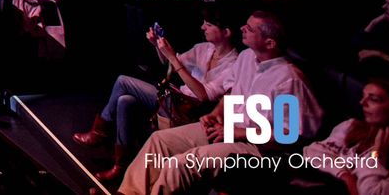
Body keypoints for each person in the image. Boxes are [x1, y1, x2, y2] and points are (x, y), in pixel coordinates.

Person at [118, 11, 322, 195]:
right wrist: (216, 114)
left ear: (269, 43)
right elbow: (232, 93)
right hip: (228, 128)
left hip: (258, 148)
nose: (243, 28)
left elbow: (287, 136)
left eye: (250, 29)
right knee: (159, 141)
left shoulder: (288, 79)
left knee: (181, 163)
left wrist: (235, 133)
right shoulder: (247, 57)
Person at [73, 2, 246, 179]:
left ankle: (99, 132)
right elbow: (170, 63)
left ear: (226, 32)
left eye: (209, 25)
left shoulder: (236, 63)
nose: (203, 27)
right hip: (174, 99)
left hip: (191, 110)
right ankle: (120, 165)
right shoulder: (204, 49)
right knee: (125, 100)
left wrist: (171, 56)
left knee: (123, 81)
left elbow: (203, 95)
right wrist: (158, 45)